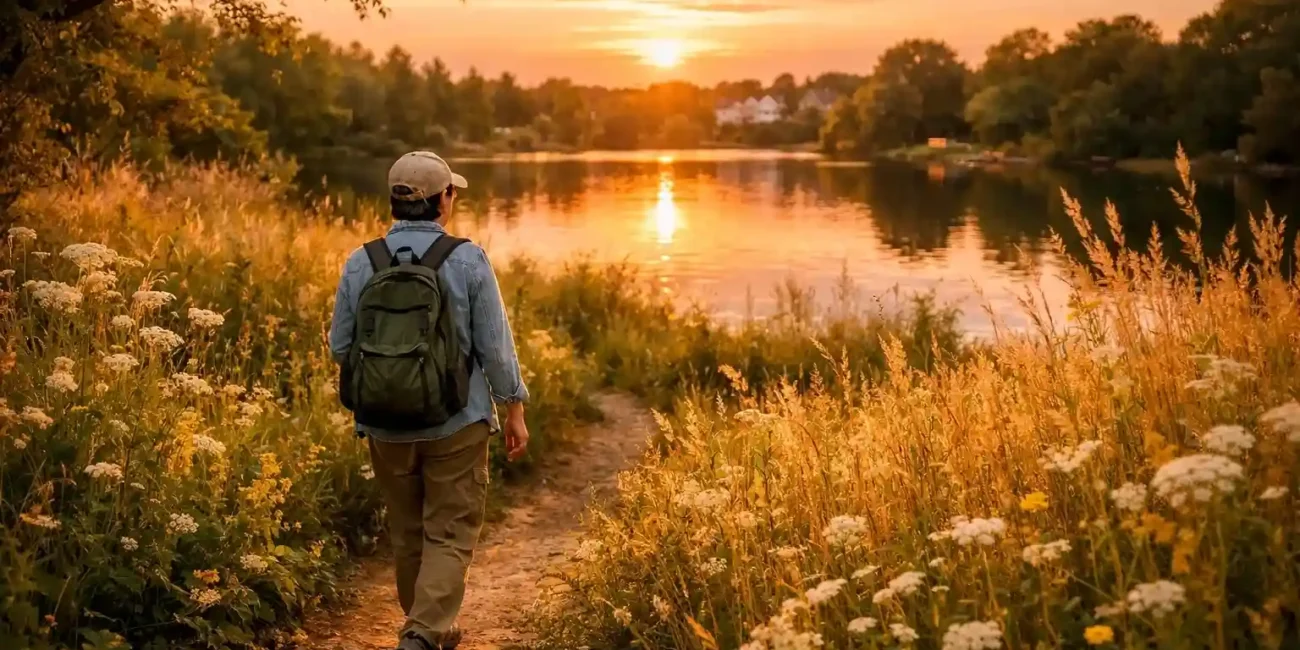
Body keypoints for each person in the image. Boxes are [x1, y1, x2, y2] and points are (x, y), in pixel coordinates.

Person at [329, 151, 530, 650]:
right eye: (452, 192)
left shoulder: (363, 259)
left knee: (409, 534)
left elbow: (339, 346)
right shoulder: (466, 258)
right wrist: (513, 406)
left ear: (395, 201)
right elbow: (494, 345)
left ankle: (430, 627)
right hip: (456, 422)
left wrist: (391, 382)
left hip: (384, 425)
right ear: (444, 199)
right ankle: (422, 634)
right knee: (450, 532)